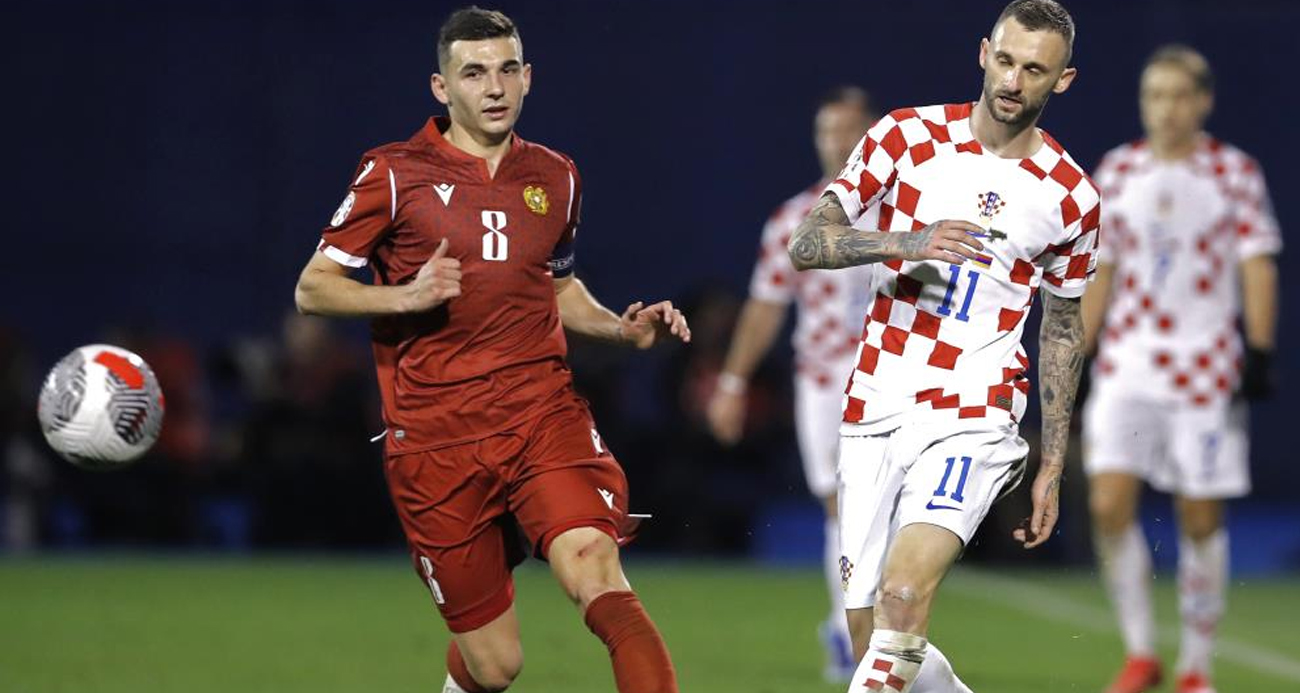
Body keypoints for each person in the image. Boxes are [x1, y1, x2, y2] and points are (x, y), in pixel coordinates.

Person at [293, 8, 687, 693]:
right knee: (495, 664)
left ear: (528, 77)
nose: (495, 87)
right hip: (436, 441)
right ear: (441, 87)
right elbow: (313, 288)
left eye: (507, 70)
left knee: (594, 565)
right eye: (474, 73)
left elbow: (557, 288)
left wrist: (620, 330)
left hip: (541, 416)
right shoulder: (393, 173)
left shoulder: (557, 175)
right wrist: (406, 296)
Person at [787, 1, 1096, 690]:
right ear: (984, 53)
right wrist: (907, 241)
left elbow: (1062, 326)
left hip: (975, 410)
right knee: (870, 636)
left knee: (903, 595)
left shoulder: (1072, 196)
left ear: (1063, 80)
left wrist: (1052, 461)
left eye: (1034, 70)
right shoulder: (905, 136)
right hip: (876, 399)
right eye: (1006, 61)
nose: (1013, 81)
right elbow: (806, 243)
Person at [1082, 45, 1280, 693]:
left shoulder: (1233, 172)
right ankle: (1141, 652)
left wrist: (1259, 350)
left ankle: (1196, 665)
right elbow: (1101, 271)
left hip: (1205, 368)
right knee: (1108, 503)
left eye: (1177, 95)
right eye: (1154, 95)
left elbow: (1257, 261)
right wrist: (1077, 356)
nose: (1165, 108)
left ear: (1203, 101)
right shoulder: (1119, 170)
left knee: (1199, 515)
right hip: (1128, 363)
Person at [705, 86, 877, 682]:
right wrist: (732, 382)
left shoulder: (905, 212)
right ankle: (848, 630)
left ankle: (865, 629)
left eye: (849, 129)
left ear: (871, 135)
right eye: (827, 131)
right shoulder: (793, 220)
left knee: (887, 510)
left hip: (892, 375)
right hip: (825, 381)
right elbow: (765, 307)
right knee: (841, 505)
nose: (837, 142)